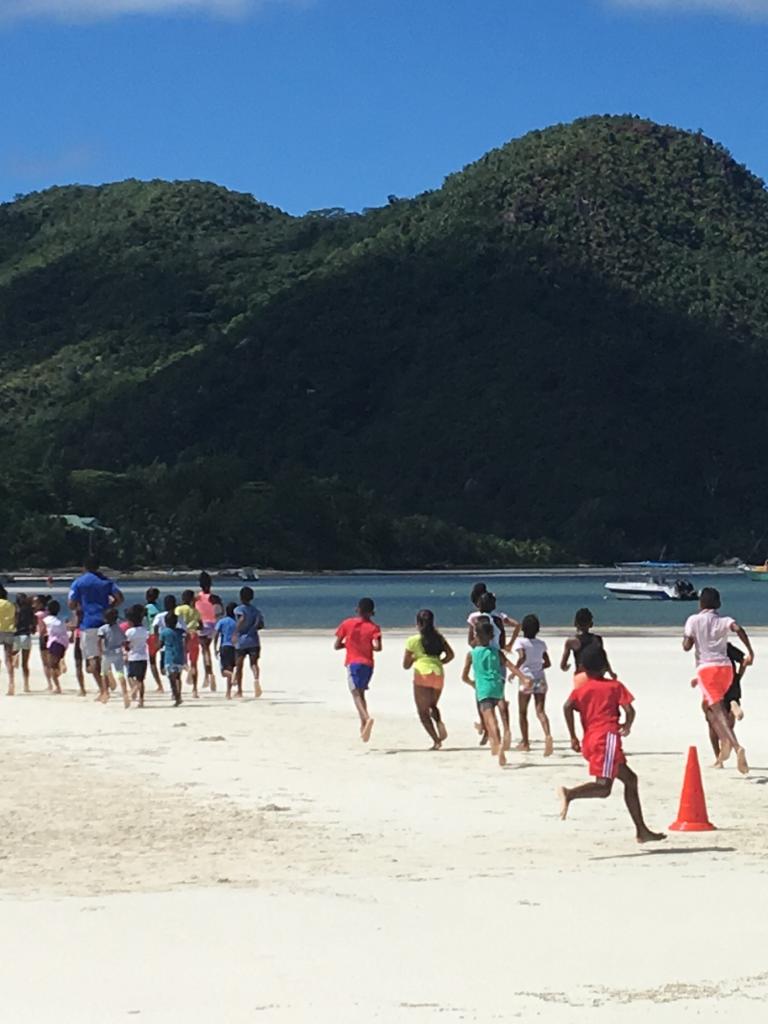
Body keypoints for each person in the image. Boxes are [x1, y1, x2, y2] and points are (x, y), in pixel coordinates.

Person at [558, 643, 665, 844]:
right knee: (604, 787)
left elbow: (567, 707)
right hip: (606, 739)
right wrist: (628, 725)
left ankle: (642, 830)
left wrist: (572, 735)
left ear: (584, 668)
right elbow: (630, 711)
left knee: (630, 779)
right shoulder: (614, 686)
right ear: (604, 666)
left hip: (592, 740)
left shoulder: (582, 689)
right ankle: (570, 793)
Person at [683, 587, 753, 774]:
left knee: (717, 711)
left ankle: (734, 745)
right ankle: (728, 736)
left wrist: (688, 638)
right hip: (726, 670)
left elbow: (686, 647)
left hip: (707, 668)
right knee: (710, 709)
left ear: (700, 603)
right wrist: (751, 651)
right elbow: (739, 629)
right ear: (718, 604)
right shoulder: (724, 620)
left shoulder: (693, 620)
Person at [462, 620, 529, 767]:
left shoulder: (471, 654)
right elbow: (510, 666)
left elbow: (464, 677)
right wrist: (523, 679)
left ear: (475, 635)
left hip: (483, 690)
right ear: (492, 636)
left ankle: (497, 745)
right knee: (499, 711)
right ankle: (501, 738)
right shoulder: (496, 652)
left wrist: (474, 684)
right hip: (497, 686)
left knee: (490, 720)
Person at [68, 556, 123, 702]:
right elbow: (120, 598)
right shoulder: (106, 581)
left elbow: (71, 604)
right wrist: (110, 607)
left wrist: (81, 605)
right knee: (106, 656)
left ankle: (103, 690)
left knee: (92, 657)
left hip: (89, 623)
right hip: (106, 622)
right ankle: (108, 683)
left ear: (84, 567)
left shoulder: (79, 582)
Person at [403, 609, 454, 749]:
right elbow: (450, 655)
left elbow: (406, 665)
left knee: (422, 711)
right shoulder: (439, 638)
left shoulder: (413, 641)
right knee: (432, 705)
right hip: (438, 673)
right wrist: (439, 662)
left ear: (418, 623)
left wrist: (414, 658)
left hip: (422, 674)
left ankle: (436, 740)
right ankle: (439, 722)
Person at [467, 591, 513, 749]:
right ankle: (506, 727)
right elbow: (502, 640)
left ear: (479, 605)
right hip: (498, 657)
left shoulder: (476, 619)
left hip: (483, 657)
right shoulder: (499, 619)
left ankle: (489, 730)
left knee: (483, 698)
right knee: (500, 695)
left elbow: (471, 642)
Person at [334, 597, 381, 742]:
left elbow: (336, 645)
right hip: (368, 663)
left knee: (355, 694)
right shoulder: (374, 627)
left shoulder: (347, 623)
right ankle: (363, 725)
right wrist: (367, 646)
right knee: (361, 694)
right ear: (372, 612)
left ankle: (366, 718)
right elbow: (378, 647)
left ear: (357, 609)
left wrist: (348, 645)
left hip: (353, 662)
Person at [513, 614, 554, 755]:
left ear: (523, 628)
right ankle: (548, 734)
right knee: (540, 711)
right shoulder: (541, 644)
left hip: (526, 679)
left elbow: (522, 657)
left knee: (522, 712)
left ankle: (525, 742)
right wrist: (538, 668)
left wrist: (514, 671)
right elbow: (547, 663)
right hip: (540, 679)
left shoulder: (520, 642)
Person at [703, 643, 747, 765]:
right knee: (728, 718)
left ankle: (719, 759)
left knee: (712, 720)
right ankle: (734, 705)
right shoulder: (725, 646)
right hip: (731, 680)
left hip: (715, 684)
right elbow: (744, 660)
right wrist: (738, 677)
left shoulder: (706, 646)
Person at [560, 607, 616, 678]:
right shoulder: (598, 639)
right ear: (591, 624)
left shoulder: (571, 641)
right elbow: (604, 658)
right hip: (598, 675)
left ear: (575, 623)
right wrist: (611, 673)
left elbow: (563, 666)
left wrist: (566, 667)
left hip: (582, 676)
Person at [233, 587, 265, 698]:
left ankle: (240, 690)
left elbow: (241, 619)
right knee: (254, 664)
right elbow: (261, 625)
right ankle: (256, 680)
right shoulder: (256, 610)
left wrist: (235, 631)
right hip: (254, 640)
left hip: (242, 640)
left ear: (241, 597)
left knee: (239, 665)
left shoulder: (238, 609)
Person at [98, 607, 129, 707]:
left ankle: (105, 692)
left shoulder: (103, 629)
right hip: (118, 652)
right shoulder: (119, 629)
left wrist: (100, 651)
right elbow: (124, 641)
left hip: (107, 653)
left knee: (104, 673)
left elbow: (100, 641)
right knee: (120, 673)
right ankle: (125, 693)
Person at [176, 590, 202, 699]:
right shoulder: (195, 611)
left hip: (182, 636)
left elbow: (176, 621)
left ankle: (178, 691)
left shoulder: (179, 609)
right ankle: (195, 690)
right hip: (194, 636)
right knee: (194, 663)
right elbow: (201, 626)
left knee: (180, 663)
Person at [195, 572, 218, 691]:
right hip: (213, 625)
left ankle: (208, 675)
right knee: (206, 649)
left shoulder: (197, 597)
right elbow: (221, 611)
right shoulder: (214, 597)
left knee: (205, 651)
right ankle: (208, 674)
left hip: (202, 625)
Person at [125, 604, 149, 708]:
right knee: (141, 679)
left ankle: (134, 688)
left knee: (130, 676)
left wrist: (126, 649)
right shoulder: (145, 631)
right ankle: (141, 700)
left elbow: (127, 645)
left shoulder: (129, 632)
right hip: (143, 657)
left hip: (133, 657)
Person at [159, 611, 186, 706]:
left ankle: (177, 696)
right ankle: (179, 695)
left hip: (169, 657)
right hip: (180, 656)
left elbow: (160, 644)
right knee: (178, 677)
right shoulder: (180, 631)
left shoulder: (164, 632)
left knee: (171, 678)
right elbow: (185, 638)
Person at [43, 599, 69, 695]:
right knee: (55, 663)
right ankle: (61, 664)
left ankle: (57, 687)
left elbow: (42, 631)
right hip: (63, 643)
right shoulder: (61, 620)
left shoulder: (46, 620)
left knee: (52, 666)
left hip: (53, 642)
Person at [214, 601, 238, 699]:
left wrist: (214, 647)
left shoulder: (222, 621)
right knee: (230, 668)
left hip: (225, 647)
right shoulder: (236, 622)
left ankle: (232, 676)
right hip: (234, 647)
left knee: (224, 671)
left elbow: (216, 635)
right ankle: (228, 693)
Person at [13, 593, 34, 694]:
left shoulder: (15, 610)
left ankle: (11, 683)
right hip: (26, 636)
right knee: (25, 664)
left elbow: (14, 623)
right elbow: (33, 625)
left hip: (16, 636)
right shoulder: (29, 610)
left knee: (10, 660)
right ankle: (26, 685)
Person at [144, 588, 164, 693]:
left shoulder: (146, 608)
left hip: (152, 635)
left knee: (152, 661)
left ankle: (159, 685)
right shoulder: (160, 607)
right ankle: (163, 667)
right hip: (162, 634)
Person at [0, 584, 16, 696]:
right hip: (9, 631)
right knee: (8, 659)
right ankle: (11, 683)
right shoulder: (10, 604)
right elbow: (14, 618)